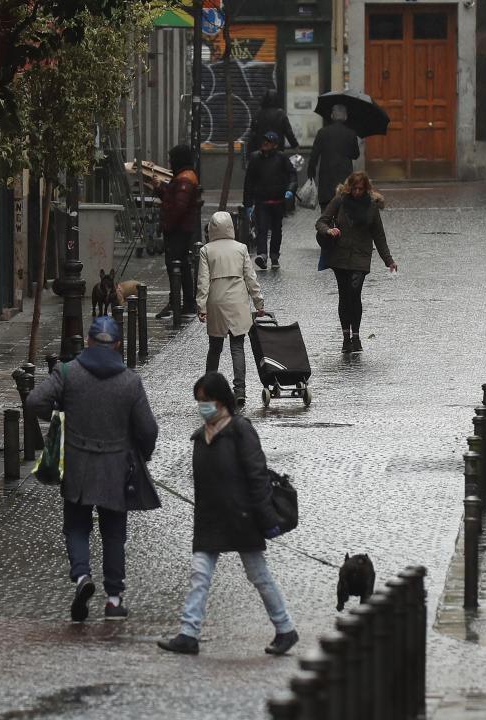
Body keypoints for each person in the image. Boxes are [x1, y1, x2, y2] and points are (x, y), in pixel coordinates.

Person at [25, 316, 159, 622]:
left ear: (88, 341)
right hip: (116, 468)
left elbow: (34, 401)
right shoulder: (129, 381)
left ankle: (82, 576)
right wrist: (142, 455)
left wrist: (59, 416)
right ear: (118, 344)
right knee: (114, 533)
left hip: (77, 463)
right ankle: (113, 600)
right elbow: (148, 430)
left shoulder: (68, 372)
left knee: (76, 526)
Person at [158, 372, 298, 657]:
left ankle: (285, 629)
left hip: (241, 518)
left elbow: (257, 476)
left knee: (258, 575)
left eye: (206, 401)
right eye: (199, 401)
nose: (202, 406)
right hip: (210, 519)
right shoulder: (200, 437)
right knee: (200, 574)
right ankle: (188, 633)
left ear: (222, 401)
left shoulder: (240, 431)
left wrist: (266, 519)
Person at [318, 172, 398, 353]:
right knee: (344, 296)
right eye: (354, 189)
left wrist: (389, 261)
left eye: (361, 189)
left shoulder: (371, 206)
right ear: (349, 187)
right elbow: (321, 222)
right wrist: (329, 231)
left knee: (355, 292)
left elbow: (379, 235)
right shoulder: (339, 201)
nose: (357, 192)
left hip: (361, 256)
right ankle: (346, 338)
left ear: (366, 189)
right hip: (340, 255)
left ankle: (356, 335)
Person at [197, 211, 265, 407]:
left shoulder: (206, 250)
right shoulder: (241, 248)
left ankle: (209, 390)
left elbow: (203, 281)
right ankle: (240, 390)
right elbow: (251, 278)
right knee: (238, 347)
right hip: (237, 301)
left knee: (215, 348)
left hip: (216, 301)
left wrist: (201, 306)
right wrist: (259, 302)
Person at [156, 143, 204, 319]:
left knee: (177, 265)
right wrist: (160, 189)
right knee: (182, 264)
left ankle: (179, 303)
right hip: (181, 229)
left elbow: (178, 207)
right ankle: (181, 302)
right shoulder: (185, 177)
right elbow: (174, 199)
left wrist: (167, 225)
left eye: (171, 160)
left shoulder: (185, 179)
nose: (169, 164)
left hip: (178, 230)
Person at [242, 131, 296, 270]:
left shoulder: (281, 158)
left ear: (275, 145)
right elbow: (248, 182)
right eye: (264, 141)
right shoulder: (255, 158)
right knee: (262, 229)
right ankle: (262, 255)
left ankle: (274, 255)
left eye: (268, 141)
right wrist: (248, 204)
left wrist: (290, 189)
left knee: (277, 230)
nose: (265, 143)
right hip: (262, 201)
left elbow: (292, 175)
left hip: (278, 201)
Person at [307, 104, 360, 196]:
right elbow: (356, 155)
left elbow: (314, 156)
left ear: (332, 116)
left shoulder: (322, 132)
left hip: (326, 177)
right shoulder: (351, 133)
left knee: (326, 206)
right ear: (345, 117)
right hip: (345, 177)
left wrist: (311, 175)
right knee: (343, 204)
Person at [245, 89, 299, 158]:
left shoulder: (258, 114)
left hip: (261, 151)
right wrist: (295, 145)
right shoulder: (281, 114)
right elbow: (288, 132)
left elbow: (253, 134)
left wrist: (249, 153)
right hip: (277, 150)